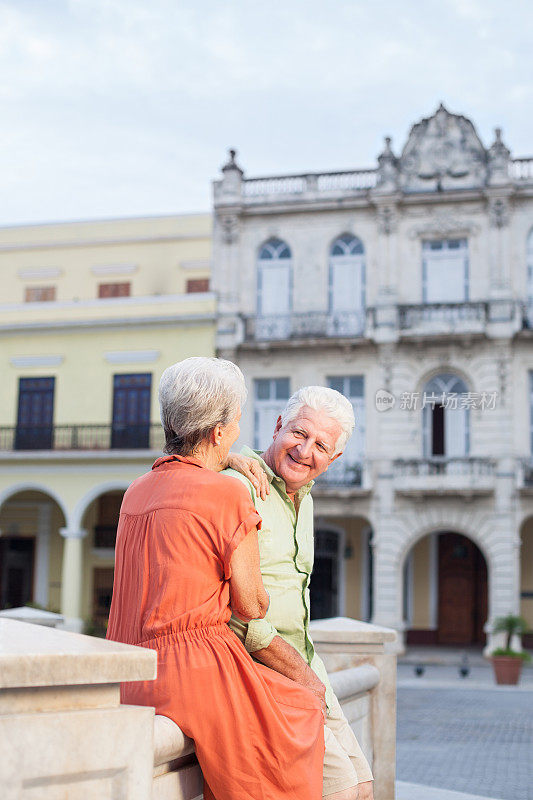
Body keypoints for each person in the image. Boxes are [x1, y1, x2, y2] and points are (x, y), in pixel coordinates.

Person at [107, 358, 325, 800]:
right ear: (218, 432)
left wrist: (224, 460)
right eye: (237, 421)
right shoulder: (226, 493)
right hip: (194, 671)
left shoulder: (136, 489)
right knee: (302, 707)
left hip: (130, 662)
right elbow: (253, 606)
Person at [224, 386, 374, 800]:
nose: (306, 450)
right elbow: (238, 611)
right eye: (299, 433)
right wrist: (225, 459)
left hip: (307, 668)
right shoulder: (240, 483)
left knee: (363, 786)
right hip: (269, 672)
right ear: (277, 426)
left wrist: (310, 675)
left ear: (334, 459)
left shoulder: (303, 499)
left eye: (321, 445)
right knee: (340, 792)